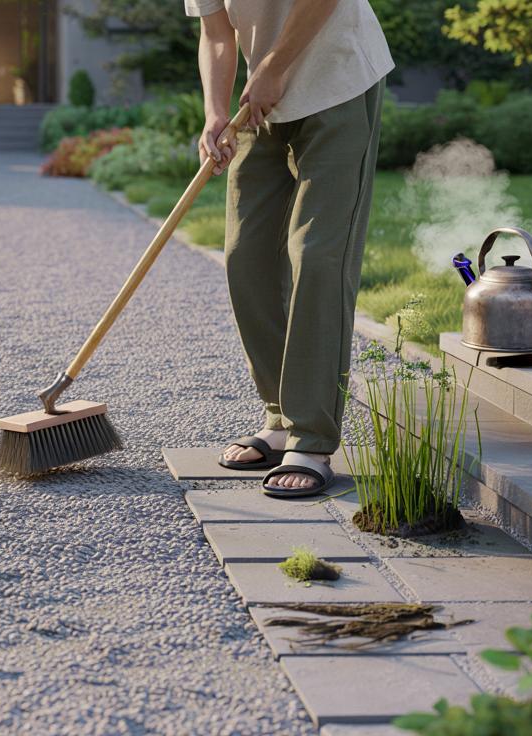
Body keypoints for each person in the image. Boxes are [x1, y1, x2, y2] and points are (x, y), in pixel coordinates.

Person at [185, 0, 393, 497]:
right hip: (262, 104)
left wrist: (274, 68)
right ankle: (280, 417)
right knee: (246, 258)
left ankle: (311, 437)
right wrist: (215, 113)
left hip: (337, 82)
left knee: (317, 257)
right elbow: (217, 33)